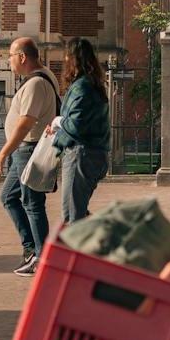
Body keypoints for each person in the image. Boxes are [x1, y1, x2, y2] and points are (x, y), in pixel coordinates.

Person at [0, 37, 58, 276]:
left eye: (10, 55)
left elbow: (24, 124)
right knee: (9, 197)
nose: (8, 60)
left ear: (22, 57)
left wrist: (2, 154)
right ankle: (32, 249)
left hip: (29, 150)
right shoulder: (43, 77)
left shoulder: (35, 84)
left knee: (32, 204)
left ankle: (41, 258)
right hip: (25, 151)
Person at [54, 37, 112, 224]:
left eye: (66, 56)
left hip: (81, 154)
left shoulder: (82, 87)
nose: (64, 60)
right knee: (77, 212)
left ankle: (96, 246)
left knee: (72, 217)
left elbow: (76, 124)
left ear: (72, 59)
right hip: (93, 153)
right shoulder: (94, 85)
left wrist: (58, 122)